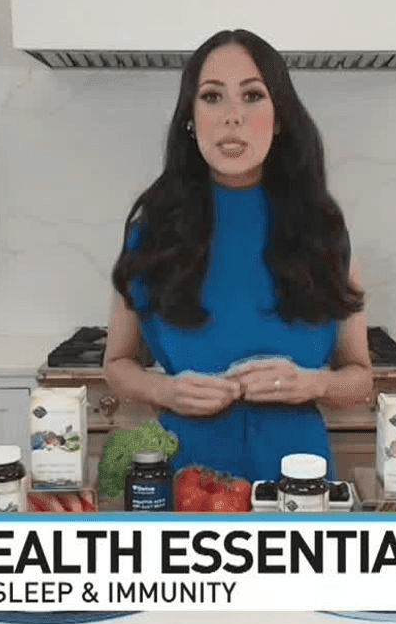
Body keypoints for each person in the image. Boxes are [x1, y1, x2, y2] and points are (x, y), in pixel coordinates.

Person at [103, 29, 373, 484]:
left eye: (252, 96)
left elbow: (360, 377)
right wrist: (165, 390)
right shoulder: (152, 233)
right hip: (187, 483)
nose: (232, 116)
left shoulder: (323, 231)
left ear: (280, 117)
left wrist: (313, 383)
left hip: (299, 486)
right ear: (190, 119)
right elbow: (116, 365)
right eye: (212, 97)